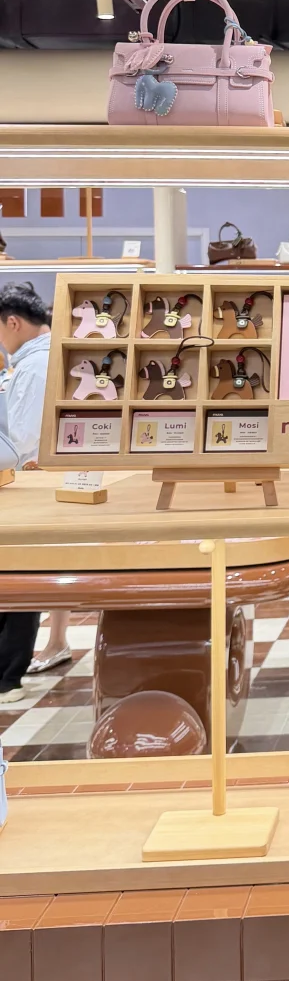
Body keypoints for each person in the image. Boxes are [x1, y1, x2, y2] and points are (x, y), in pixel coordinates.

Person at [0, 284, 70, 700]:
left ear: (13, 322)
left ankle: (9, 674)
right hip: (47, 480)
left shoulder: (31, 366)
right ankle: (38, 652)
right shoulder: (48, 356)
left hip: (31, 483)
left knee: (18, 577)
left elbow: (22, 439)